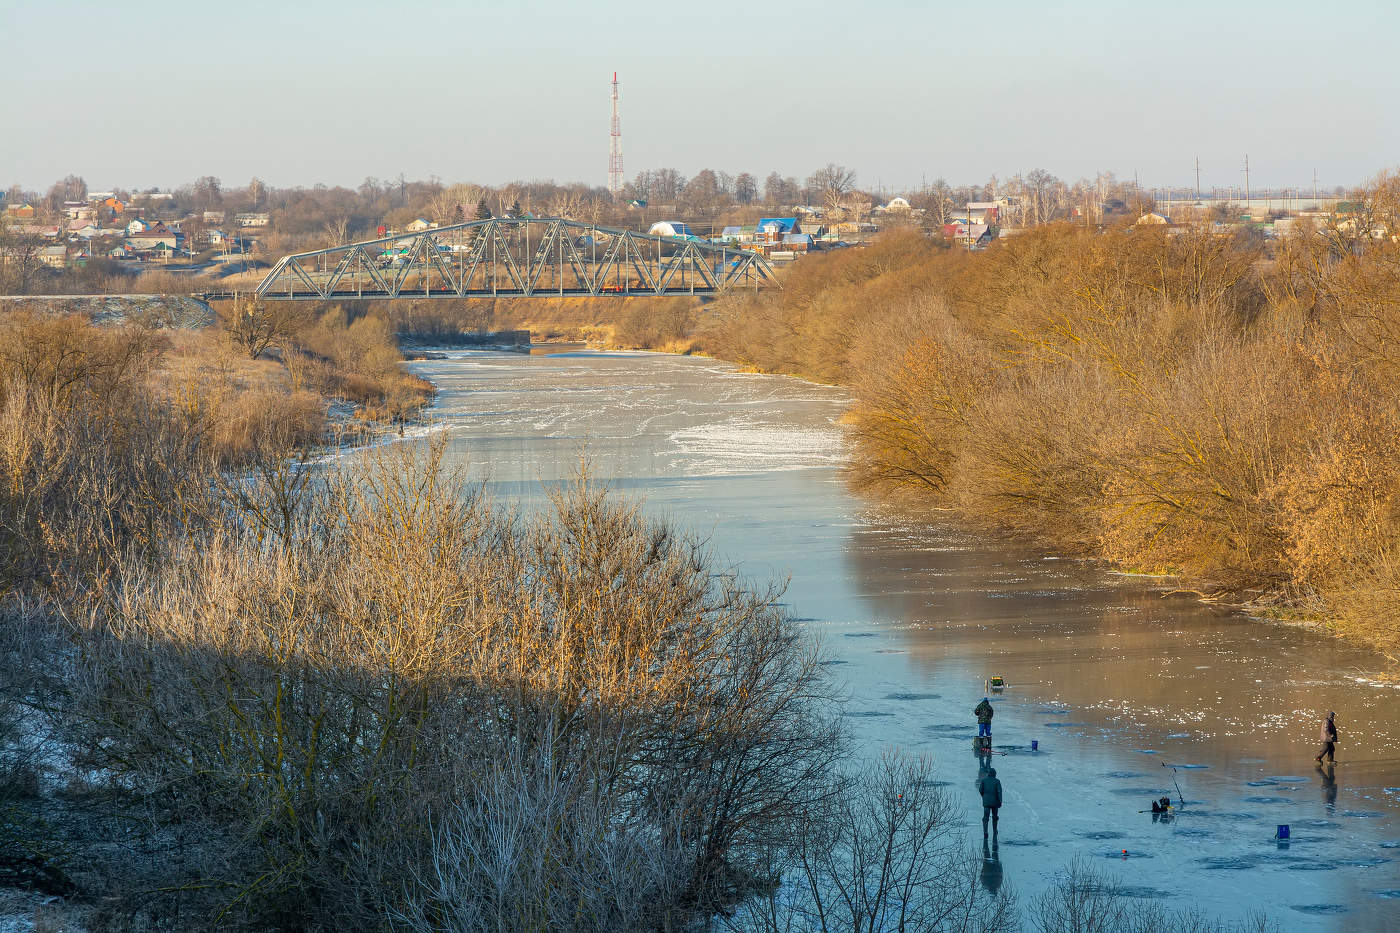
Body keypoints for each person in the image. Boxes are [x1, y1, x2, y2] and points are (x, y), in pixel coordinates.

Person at [978, 766, 1003, 837]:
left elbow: (980, 790)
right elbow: (999, 792)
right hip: (995, 803)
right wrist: (1000, 801)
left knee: (985, 817)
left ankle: (985, 832)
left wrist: (984, 797)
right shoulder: (997, 781)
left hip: (986, 802)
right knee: (995, 817)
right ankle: (995, 831)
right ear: (995, 774)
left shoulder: (984, 781)